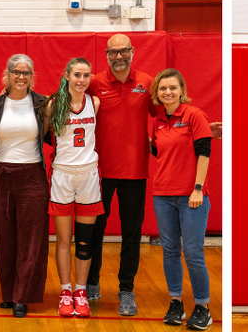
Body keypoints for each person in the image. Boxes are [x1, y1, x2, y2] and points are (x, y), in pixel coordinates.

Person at [85, 34, 153, 315]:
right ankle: (91, 282)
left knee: (132, 234)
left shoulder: (147, 82)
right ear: (106, 55)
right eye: (113, 52)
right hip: (98, 172)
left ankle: (126, 289)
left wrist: (201, 128)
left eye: (123, 51)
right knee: (95, 230)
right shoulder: (93, 83)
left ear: (132, 51)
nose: (119, 56)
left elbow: (166, 114)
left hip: (135, 172)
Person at [0, 54, 50, 318]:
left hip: (32, 176)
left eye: (26, 73)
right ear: (8, 74)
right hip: (1, 175)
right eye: (16, 72)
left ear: (32, 76)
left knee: (31, 239)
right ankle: (8, 293)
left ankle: (23, 295)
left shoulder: (42, 104)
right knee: (5, 239)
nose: (21, 77)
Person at [151, 68, 214, 331]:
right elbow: (158, 152)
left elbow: (204, 152)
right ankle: (176, 302)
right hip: (162, 196)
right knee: (169, 250)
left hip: (191, 197)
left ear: (181, 91)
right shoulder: (157, 121)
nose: (168, 92)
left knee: (192, 252)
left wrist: (197, 188)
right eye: (163, 88)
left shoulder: (194, 115)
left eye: (172, 88)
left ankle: (203, 307)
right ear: (157, 92)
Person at [46, 58, 103, 320]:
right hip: (62, 175)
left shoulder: (95, 102)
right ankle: (65, 292)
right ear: (67, 75)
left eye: (86, 75)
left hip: (88, 175)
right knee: (63, 240)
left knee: (84, 240)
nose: (82, 80)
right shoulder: (53, 104)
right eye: (77, 75)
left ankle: (81, 292)